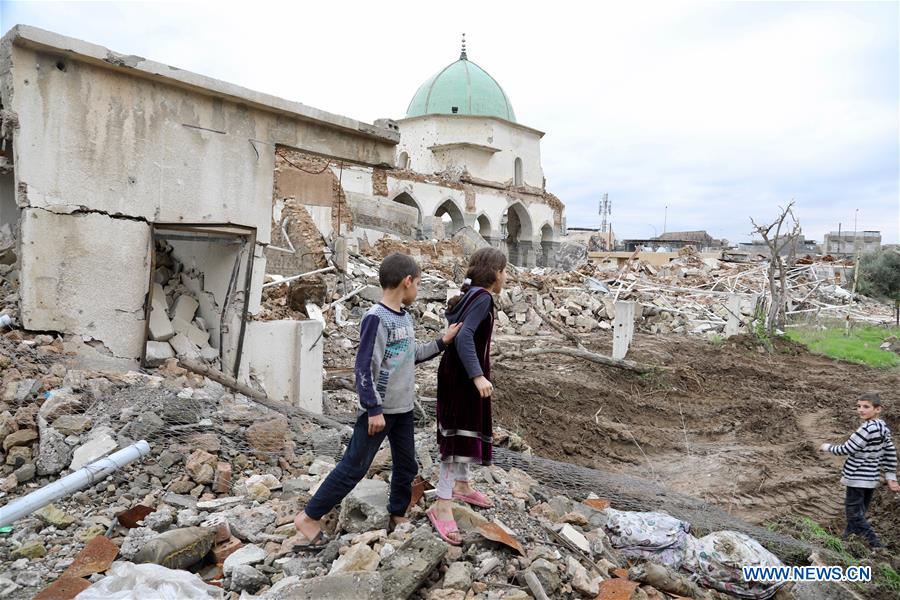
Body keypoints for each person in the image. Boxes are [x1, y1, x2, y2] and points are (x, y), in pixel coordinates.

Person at [293, 253, 461, 547]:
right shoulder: (376, 318)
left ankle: (397, 512)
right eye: (418, 284)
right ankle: (308, 517)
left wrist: (441, 342)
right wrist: (373, 409)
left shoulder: (404, 317)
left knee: (406, 465)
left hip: (403, 410)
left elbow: (412, 355)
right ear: (407, 282)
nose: (417, 290)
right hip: (379, 412)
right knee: (354, 467)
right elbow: (364, 366)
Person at [427, 247, 508, 545]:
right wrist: (477, 376)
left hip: (454, 374)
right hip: (463, 379)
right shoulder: (483, 297)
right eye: (505, 271)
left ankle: (462, 485)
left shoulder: (471, 294)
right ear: (495, 273)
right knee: (456, 439)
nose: (506, 276)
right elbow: (463, 336)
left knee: (461, 433)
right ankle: (443, 504)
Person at [819, 392, 899, 548]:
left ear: (877, 409)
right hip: (870, 480)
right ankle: (846, 541)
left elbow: (847, 448)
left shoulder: (867, 429)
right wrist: (891, 477)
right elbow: (890, 452)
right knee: (858, 514)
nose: (861, 410)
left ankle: (876, 545)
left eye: (866, 407)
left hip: (857, 478)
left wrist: (827, 447)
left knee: (854, 515)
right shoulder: (883, 429)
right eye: (858, 406)